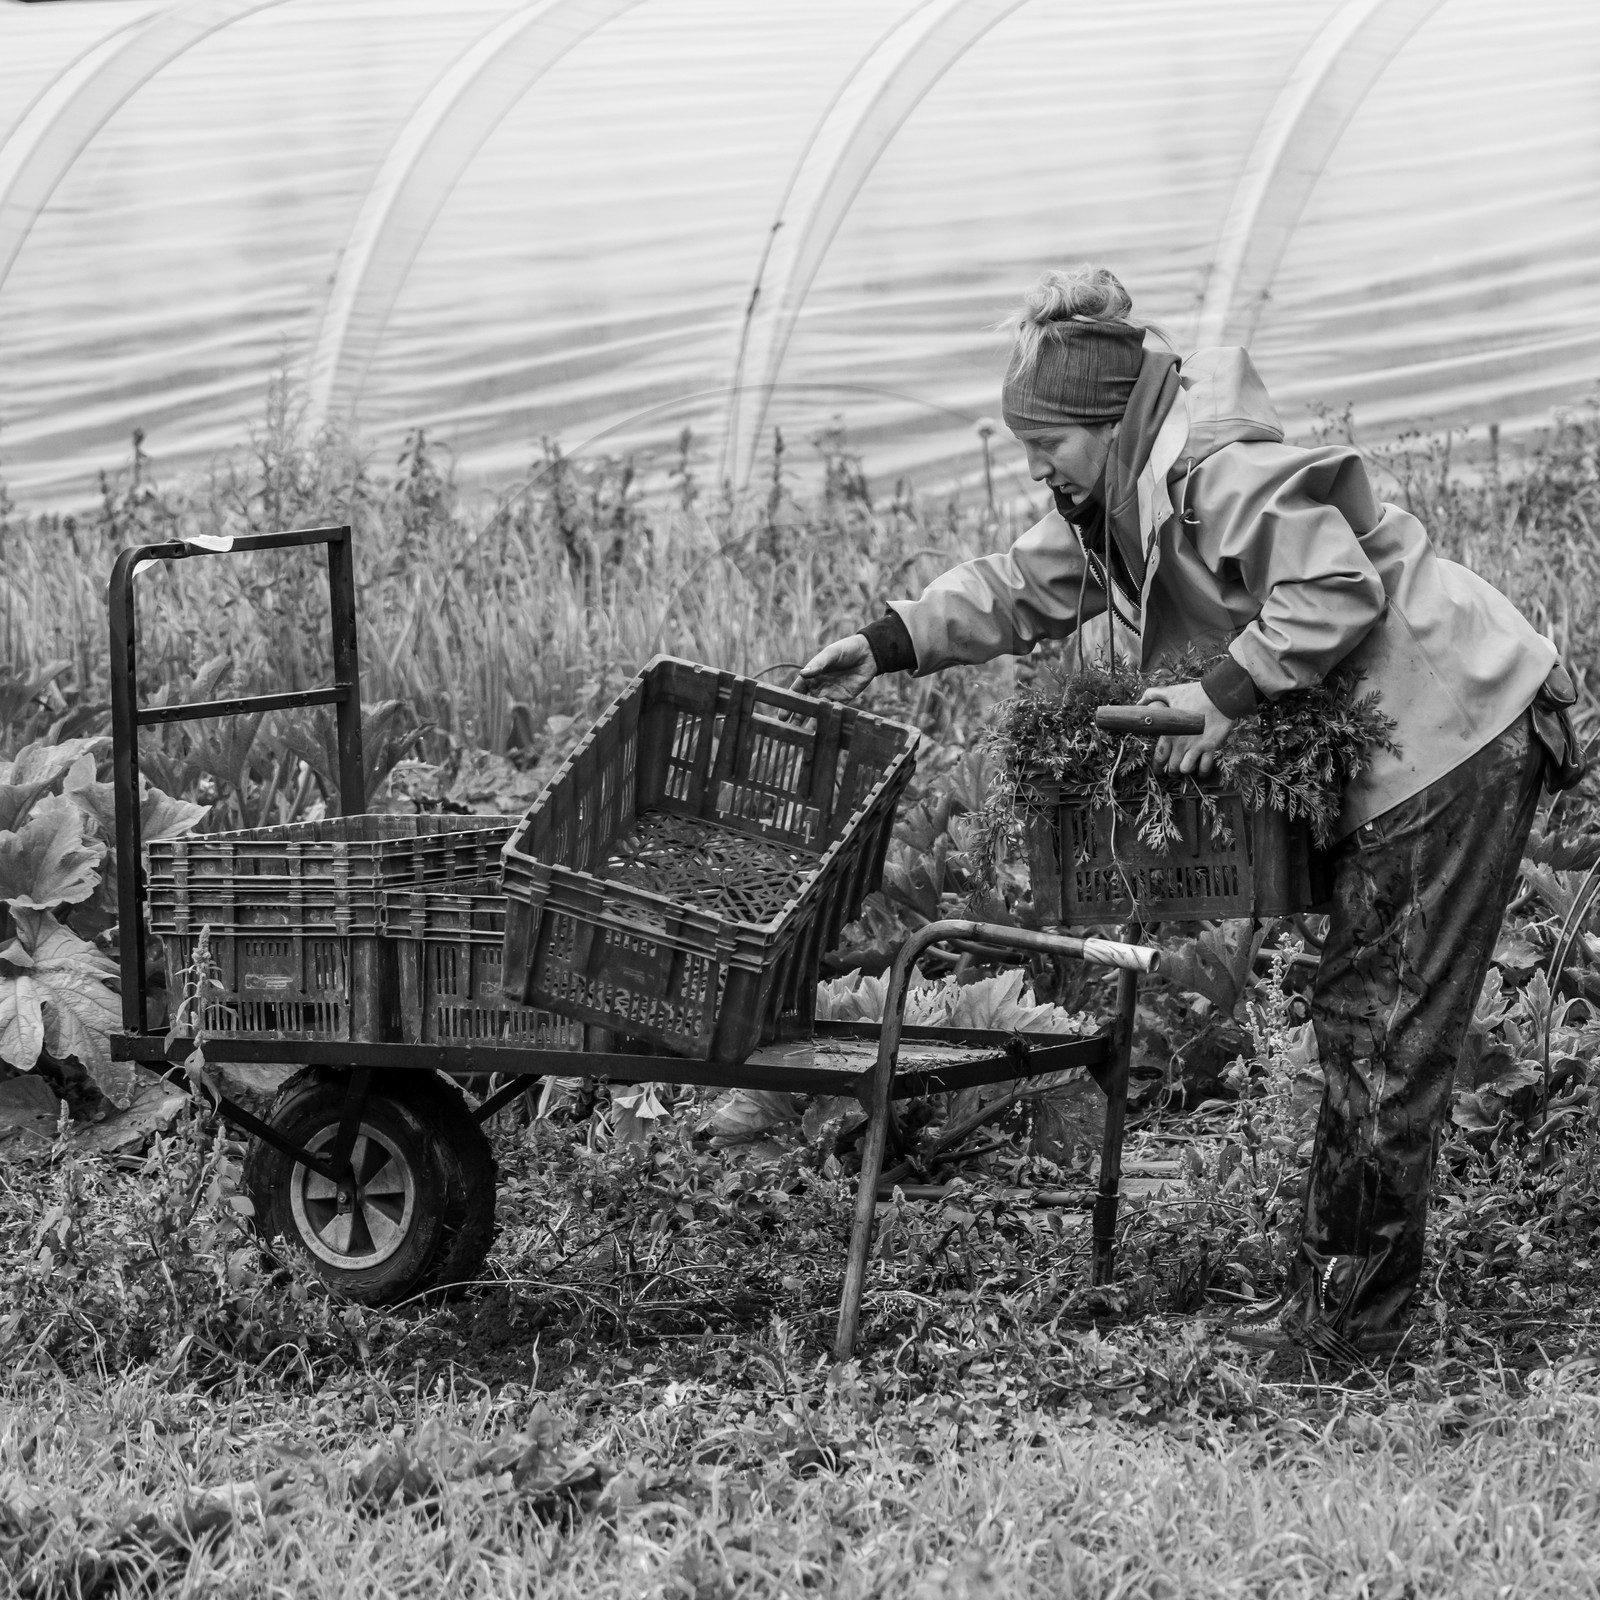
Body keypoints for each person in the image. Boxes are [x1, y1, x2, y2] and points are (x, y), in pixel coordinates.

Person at [797, 264, 1583, 1358]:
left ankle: (1349, 1332)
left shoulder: (1218, 476)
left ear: (1109, 423)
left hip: (1452, 733)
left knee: (1382, 1030)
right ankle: (1339, 1305)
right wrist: (890, 640)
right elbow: (1023, 585)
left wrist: (1220, 694)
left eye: (1049, 447)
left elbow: (1335, 590)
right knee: (1361, 1017)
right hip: (1408, 748)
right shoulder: (1119, 498)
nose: (1037, 469)